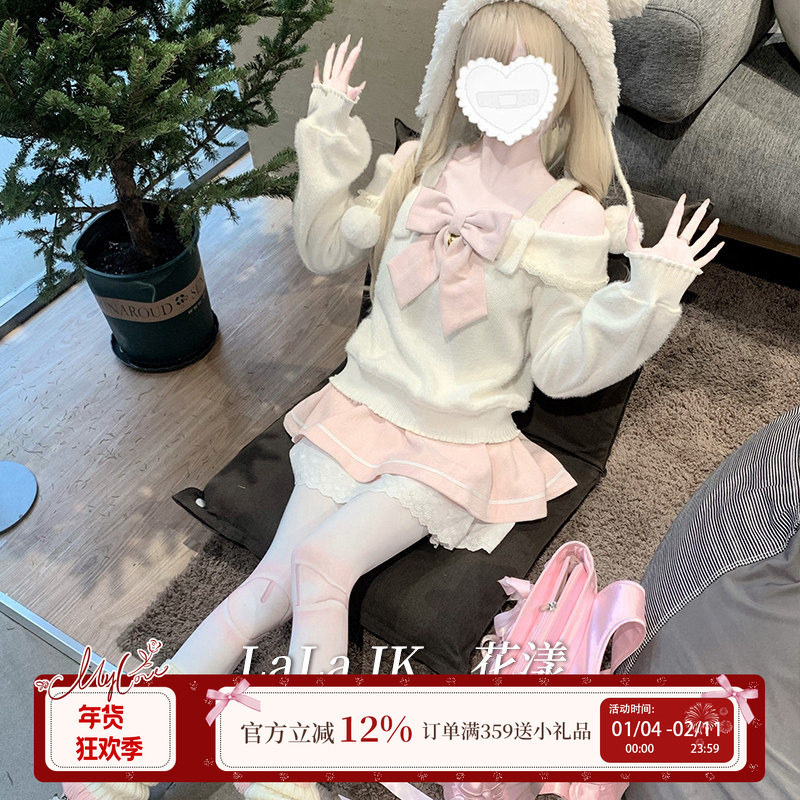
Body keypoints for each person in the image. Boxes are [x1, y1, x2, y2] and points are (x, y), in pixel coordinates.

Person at [163, 0, 724, 677]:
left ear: (568, 81)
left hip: (457, 440)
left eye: (528, 69)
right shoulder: (420, 167)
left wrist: (647, 297)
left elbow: (561, 369)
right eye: (484, 64)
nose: (504, 85)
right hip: (361, 408)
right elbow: (323, 247)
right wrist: (326, 132)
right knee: (270, 584)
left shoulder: (571, 219)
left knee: (322, 564)